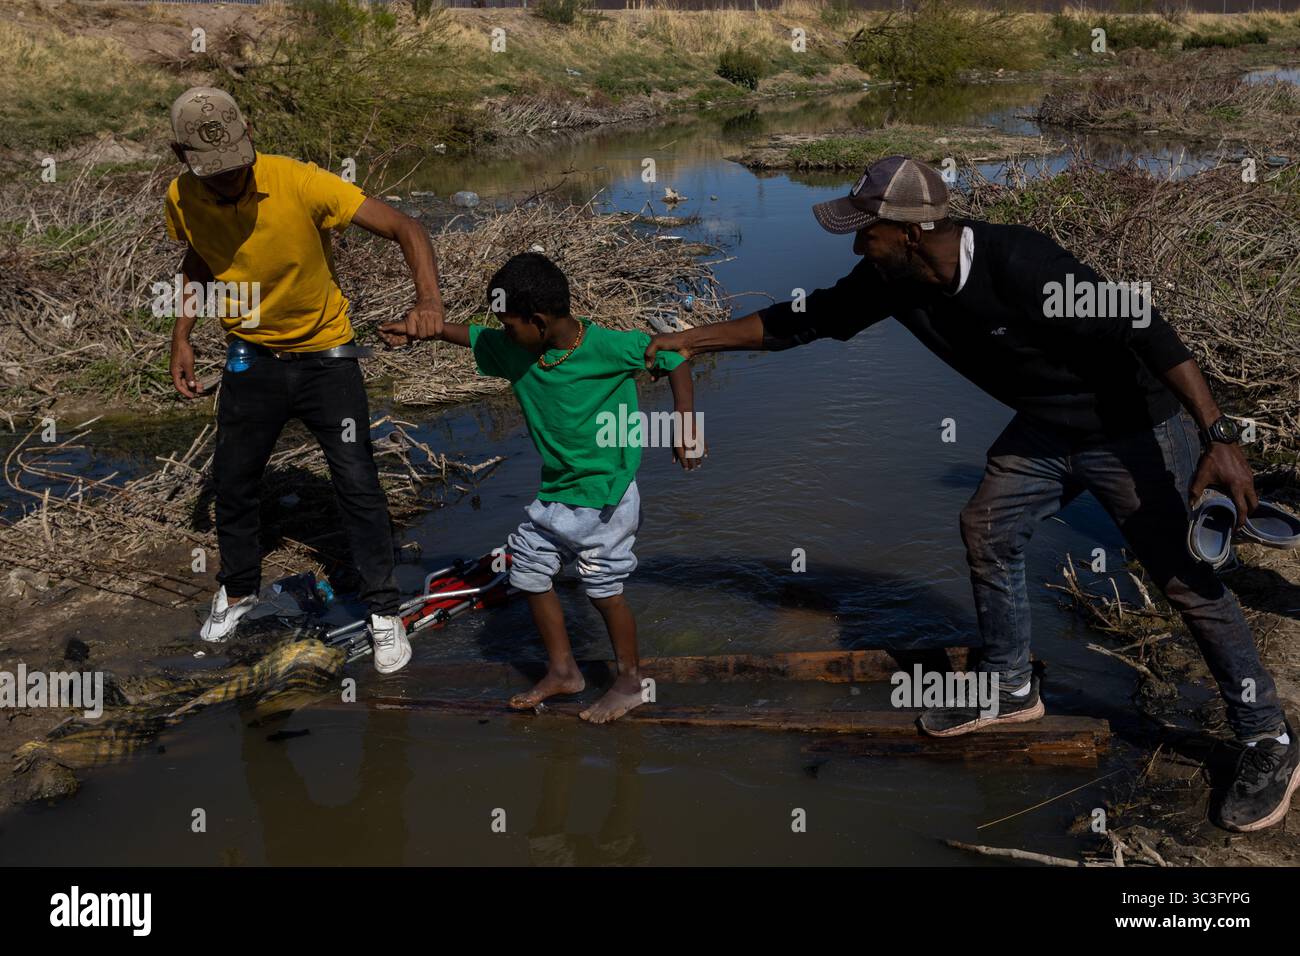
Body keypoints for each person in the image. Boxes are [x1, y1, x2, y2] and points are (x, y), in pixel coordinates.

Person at [642, 155, 1297, 832]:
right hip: (1047, 426)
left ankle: (1266, 737)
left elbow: (1146, 325)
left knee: (1184, 579)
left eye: (866, 230)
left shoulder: (1022, 262)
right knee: (987, 526)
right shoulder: (892, 278)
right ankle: (1012, 686)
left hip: (1130, 426)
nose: (855, 242)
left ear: (912, 231)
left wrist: (1218, 435)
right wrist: (693, 341)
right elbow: (802, 321)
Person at [164, 86, 445, 673]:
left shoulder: (302, 182)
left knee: (358, 484)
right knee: (234, 481)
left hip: (327, 360)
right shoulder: (182, 195)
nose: (228, 181)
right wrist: (182, 335)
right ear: (182, 158)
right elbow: (197, 259)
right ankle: (239, 589)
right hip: (250, 359)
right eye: (213, 173)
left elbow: (408, 228)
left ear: (250, 143)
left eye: (236, 167)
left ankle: (383, 611)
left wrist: (428, 302)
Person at [382, 252, 702, 722]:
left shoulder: (607, 347)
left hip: (605, 496)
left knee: (602, 589)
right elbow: (468, 336)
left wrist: (685, 424)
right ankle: (563, 671)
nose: (504, 335)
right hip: (556, 492)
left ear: (537, 320)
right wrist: (418, 330)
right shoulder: (518, 349)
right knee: (527, 572)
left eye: (509, 325)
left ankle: (631, 681)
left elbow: (673, 355)